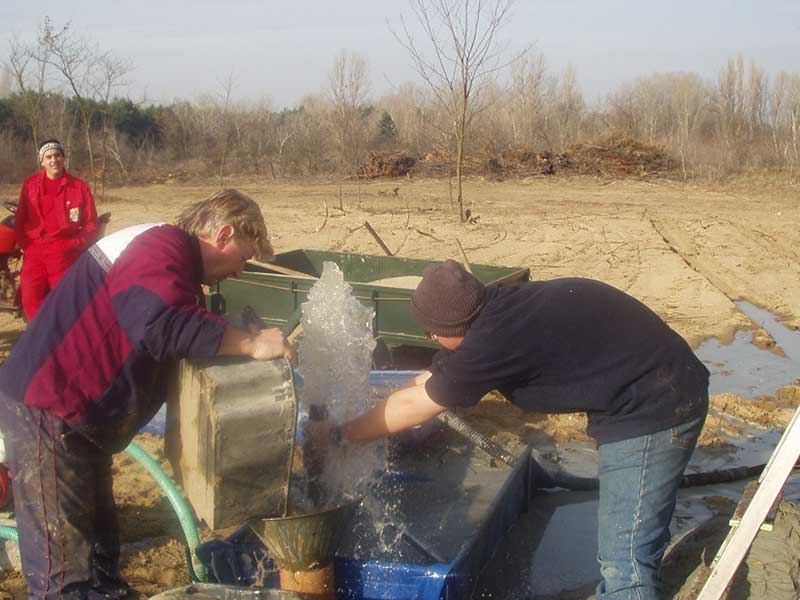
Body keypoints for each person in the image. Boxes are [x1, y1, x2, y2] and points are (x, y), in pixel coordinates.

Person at [325, 260, 709, 600]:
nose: (431, 341)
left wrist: (339, 436)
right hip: (647, 387)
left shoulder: (492, 341)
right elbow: (429, 381)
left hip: (657, 404)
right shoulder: (494, 313)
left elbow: (416, 405)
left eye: (431, 334)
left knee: (624, 563)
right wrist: (378, 404)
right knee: (631, 531)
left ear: (452, 326)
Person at [0, 189, 295, 600]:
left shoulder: (173, 263)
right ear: (224, 234)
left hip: (78, 418)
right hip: (50, 408)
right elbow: (159, 324)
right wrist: (248, 344)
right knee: (66, 579)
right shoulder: (161, 246)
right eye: (243, 258)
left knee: (101, 560)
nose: (241, 272)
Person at [15, 139, 100, 321]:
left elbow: (92, 224)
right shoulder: (30, 185)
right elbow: (20, 219)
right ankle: (41, 340)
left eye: (57, 155)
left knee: (65, 302)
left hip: (65, 252)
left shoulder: (79, 187)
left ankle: (63, 342)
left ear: (63, 158)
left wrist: (74, 244)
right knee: (30, 299)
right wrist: (26, 246)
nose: (54, 160)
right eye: (49, 157)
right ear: (42, 161)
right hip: (35, 250)